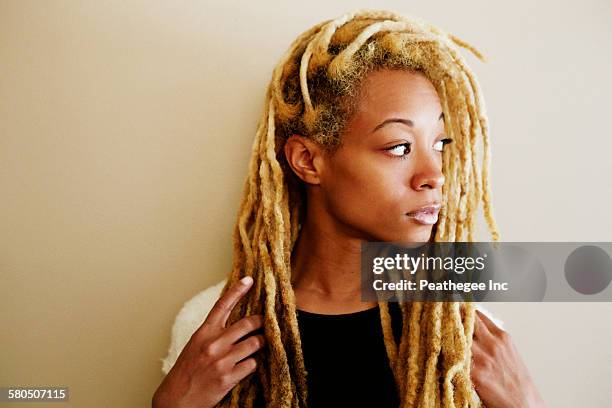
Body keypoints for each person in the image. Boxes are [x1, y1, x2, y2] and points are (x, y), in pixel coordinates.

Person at [152, 9, 545, 408]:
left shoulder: (458, 334)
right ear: (307, 160)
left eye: (441, 144)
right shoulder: (217, 334)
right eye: (399, 147)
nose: (434, 175)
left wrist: (525, 403)